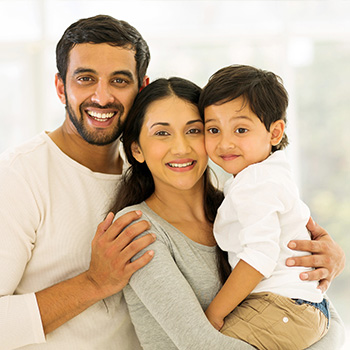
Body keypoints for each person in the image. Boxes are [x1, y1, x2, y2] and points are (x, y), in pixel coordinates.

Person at [111, 77, 345, 350]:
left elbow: (324, 318)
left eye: (194, 130)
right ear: (136, 149)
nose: (181, 148)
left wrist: (330, 260)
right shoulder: (137, 229)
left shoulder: (239, 207)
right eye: (162, 133)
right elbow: (200, 342)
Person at [0, 15, 156, 349]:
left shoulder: (154, 171)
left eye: (119, 80)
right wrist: (95, 282)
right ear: (61, 87)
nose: (102, 97)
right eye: (86, 79)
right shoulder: (19, 176)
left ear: (141, 89)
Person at [199, 64, 333, 349]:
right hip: (301, 306)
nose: (225, 142)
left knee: (203, 343)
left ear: (275, 133)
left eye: (241, 129)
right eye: (213, 129)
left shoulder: (254, 182)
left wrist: (213, 314)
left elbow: (260, 256)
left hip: (283, 307)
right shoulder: (270, 172)